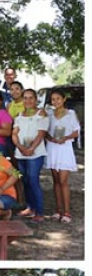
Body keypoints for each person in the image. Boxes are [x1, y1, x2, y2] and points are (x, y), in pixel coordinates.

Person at [12, 89, 49, 222]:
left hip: (35, 153)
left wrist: (32, 148)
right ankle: (30, 207)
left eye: (31, 98)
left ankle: (39, 212)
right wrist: (20, 147)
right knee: (25, 181)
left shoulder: (41, 113)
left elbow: (41, 134)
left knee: (33, 180)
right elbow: (14, 133)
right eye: (25, 98)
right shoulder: (19, 116)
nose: (28, 101)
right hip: (21, 153)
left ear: (36, 99)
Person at [45, 88, 81, 224]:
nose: (55, 102)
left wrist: (65, 138)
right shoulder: (49, 114)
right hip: (52, 148)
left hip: (64, 149)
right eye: (53, 99)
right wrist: (51, 138)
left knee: (63, 181)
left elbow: (76, 132)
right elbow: (45, 131)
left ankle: (67, 212)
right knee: (55, 181)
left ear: (64, 99)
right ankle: (58, 209)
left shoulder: (71, 114)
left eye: (58, 99)